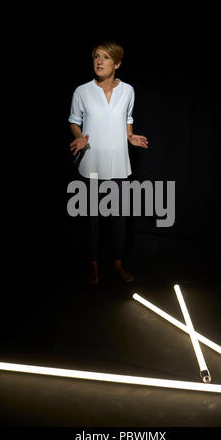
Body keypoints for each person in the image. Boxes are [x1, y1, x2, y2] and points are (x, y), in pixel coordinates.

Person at [69, 41, 148, 285]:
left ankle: (117, 264)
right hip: (91, 162)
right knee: (92, 219)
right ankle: (93, 267)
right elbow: (74, 120)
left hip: (118, 163)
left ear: (117, 63)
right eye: (96, 57)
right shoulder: (82, 91)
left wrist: (129, 135)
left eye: (105, 57)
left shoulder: (128, 90)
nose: (99, 61)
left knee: (118, 218)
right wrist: (79, 137)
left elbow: (127, 117)